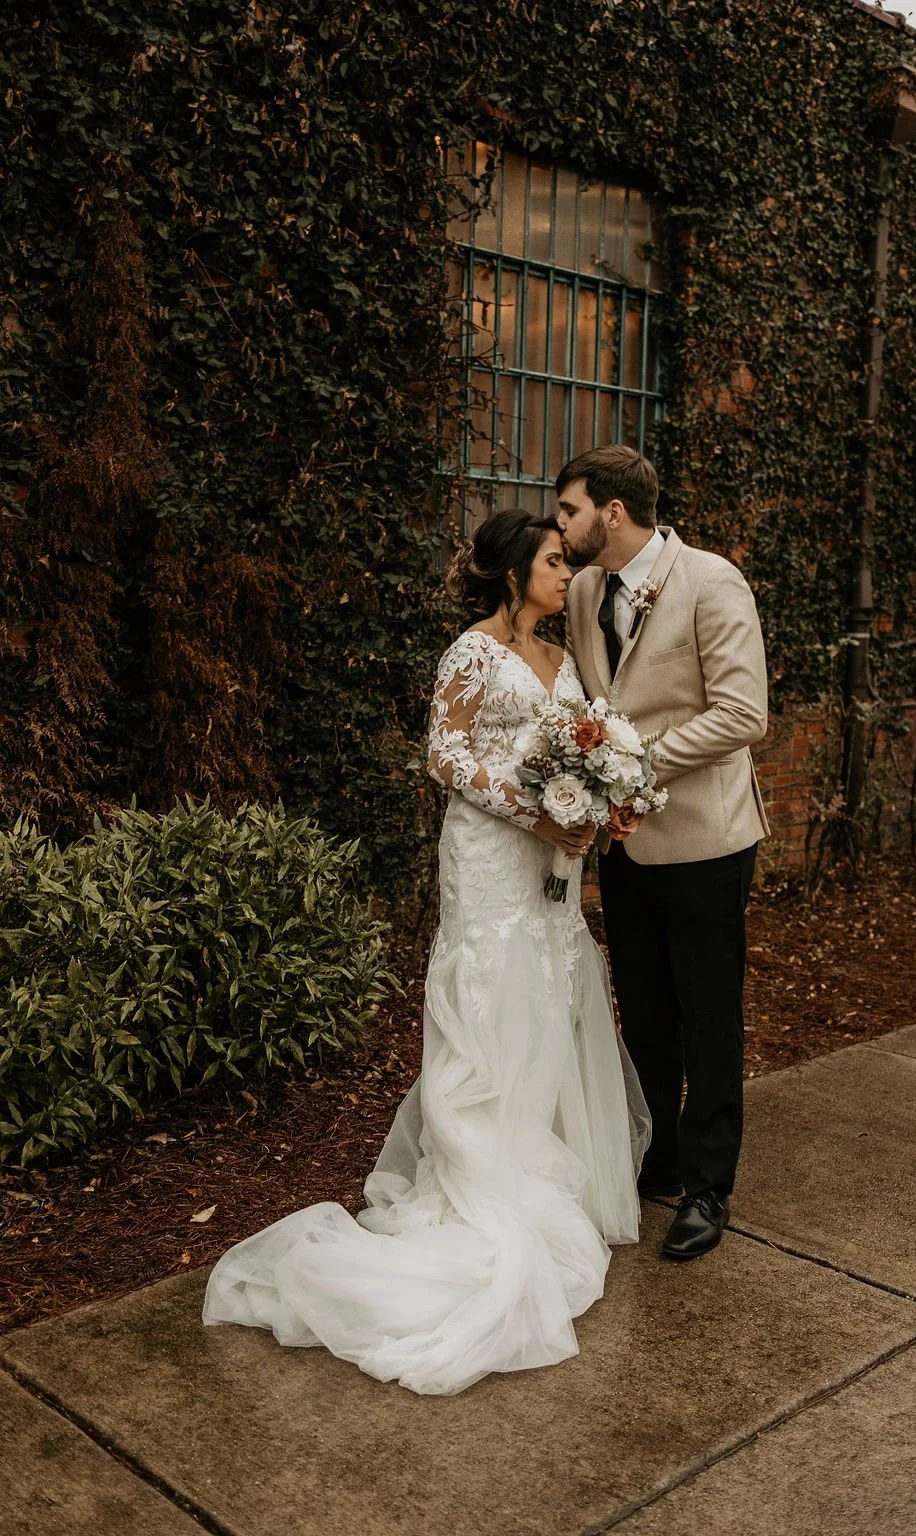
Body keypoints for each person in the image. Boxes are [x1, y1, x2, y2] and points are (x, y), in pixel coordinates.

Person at [203, 508, 651, 1396]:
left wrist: (597, 811)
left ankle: (537, 1158)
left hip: (551, 870)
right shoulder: (471, 652)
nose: (568, 576)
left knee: (553, 989)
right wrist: (538, 811)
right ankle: (479, 1172)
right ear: (518, 569)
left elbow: (583, 754)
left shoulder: (563, 663)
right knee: (489, 999)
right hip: (489, 861)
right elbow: (445, 755)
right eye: (557, 563)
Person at [557, 445, 769, 1261]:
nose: (561, 524)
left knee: (708, 1013)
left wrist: (634, 766)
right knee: (643, 1010)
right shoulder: (581, 590)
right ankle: (659, 1155)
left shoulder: (711, 581)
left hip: (707, 839)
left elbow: (743, 713)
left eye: (570, 509)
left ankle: (709, 1188)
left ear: (612, 512)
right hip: (624, 845)